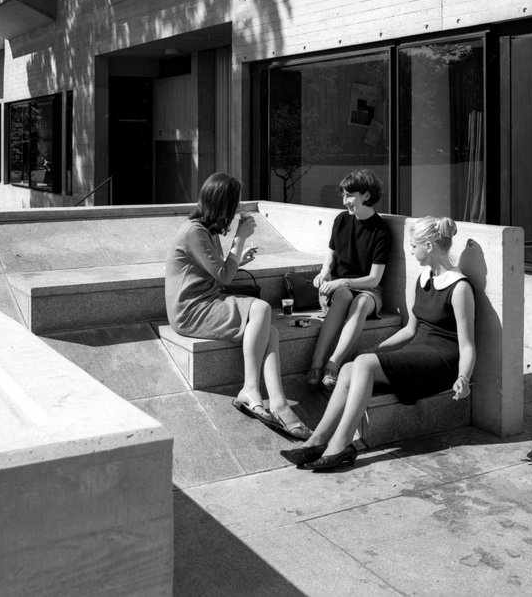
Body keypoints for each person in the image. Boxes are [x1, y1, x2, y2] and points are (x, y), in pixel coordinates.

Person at [282, 216, 476, 471]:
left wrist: (463, 377)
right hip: (419, 350)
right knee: (352, 365)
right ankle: (318, 440)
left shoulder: (459, 287)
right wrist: (375, 350)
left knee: (362, 364)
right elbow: (410, 330)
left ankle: (340, 445)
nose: (410, 249)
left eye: (413, 245)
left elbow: (467, 345)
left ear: (428, 246)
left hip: (443, 361)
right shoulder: (423, 278)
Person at [165, 172, 312, 440]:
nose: (238, 209)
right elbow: (223, 276)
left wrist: (239, 258)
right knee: (262, 309)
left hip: (206, 301)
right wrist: (240, 238)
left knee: (272, 331)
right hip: (191, 310)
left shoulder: (205, 230)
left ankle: (278, 403)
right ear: (223, 203)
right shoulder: (194, 232)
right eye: (236, 202)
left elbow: (216, 272)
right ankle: (249, 390)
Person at [306, 169, 392, 390]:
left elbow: (374, 279)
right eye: (344, 196)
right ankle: (316, 363)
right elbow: (332, 254)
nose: (345, 201)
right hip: (339, 290)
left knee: (360, 300)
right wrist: (325, 271)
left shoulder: (381, 231)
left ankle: (333, 364)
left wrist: (343, 282)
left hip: (368, 291)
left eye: (350, 196)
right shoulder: (341, 220)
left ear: (366, 195)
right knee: (344, 295)